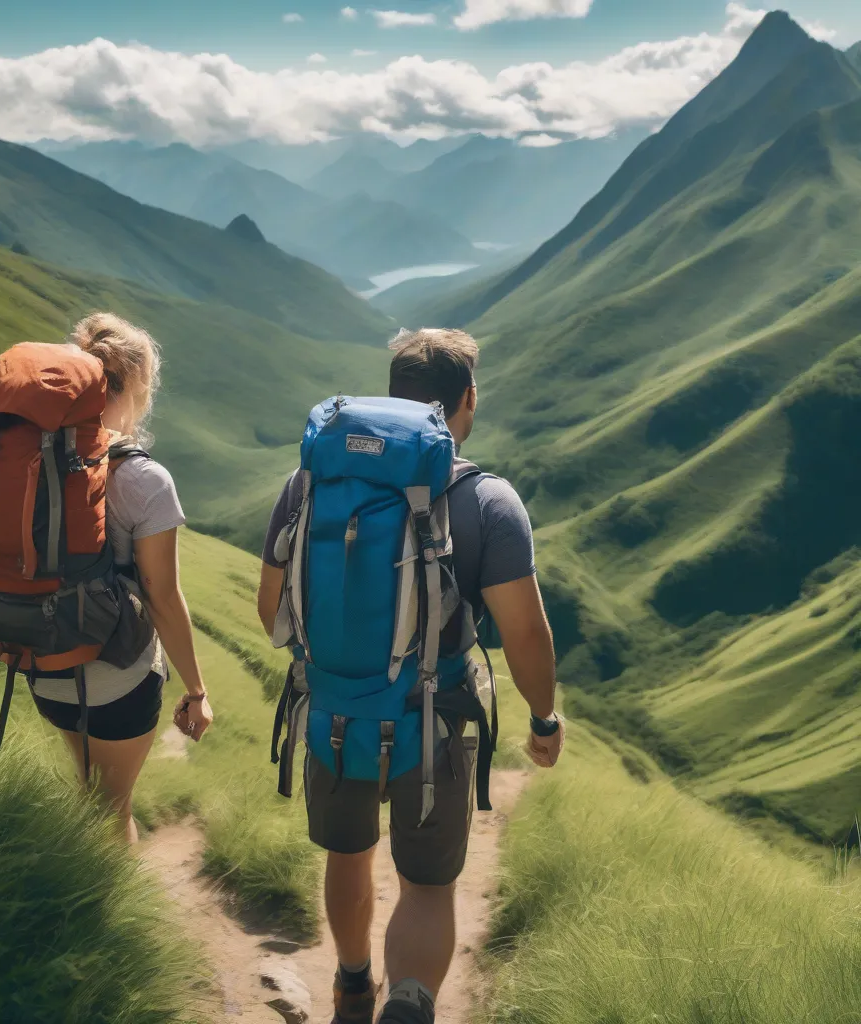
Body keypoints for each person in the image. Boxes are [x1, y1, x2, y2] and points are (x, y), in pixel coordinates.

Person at [257, 328, 563, 1024]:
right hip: (434, 720)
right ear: (468, 401)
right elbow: (524, 632)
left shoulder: (310, 482)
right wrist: (543, 721)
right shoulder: (486, 500)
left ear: (392, 393)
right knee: (427, 885)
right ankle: (409, 1001)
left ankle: (353, 983)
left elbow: (269, 608)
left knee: (349, 852)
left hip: (331, 711)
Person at [29, 313, 213, 844]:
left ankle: (73, 892)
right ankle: (103, 921)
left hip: (44, 666)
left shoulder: (32, 459)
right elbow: (162, 595)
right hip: (117, 681)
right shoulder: (143, 479)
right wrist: (197, 689)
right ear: (136, 387)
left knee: (90, 794)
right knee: (113, 811)